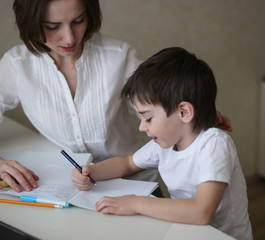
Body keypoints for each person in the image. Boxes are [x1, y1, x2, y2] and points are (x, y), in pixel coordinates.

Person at [0, 0, 232, 194]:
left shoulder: (119, 56)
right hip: (71, 187)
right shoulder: (17, 65)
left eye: (78, 20)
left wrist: (197, 121)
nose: (69, 37)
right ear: (30, 23)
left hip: (132, 181)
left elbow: (163, 112)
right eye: (52, 26)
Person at [71, 47, 252, 240]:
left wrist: (134, 204)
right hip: (185, 231)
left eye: (148, 118)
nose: (142, 127)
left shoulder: (214, 145)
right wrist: (91, 171)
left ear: (184, 112)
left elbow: (201, 211)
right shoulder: (165, 144)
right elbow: (128, 163)